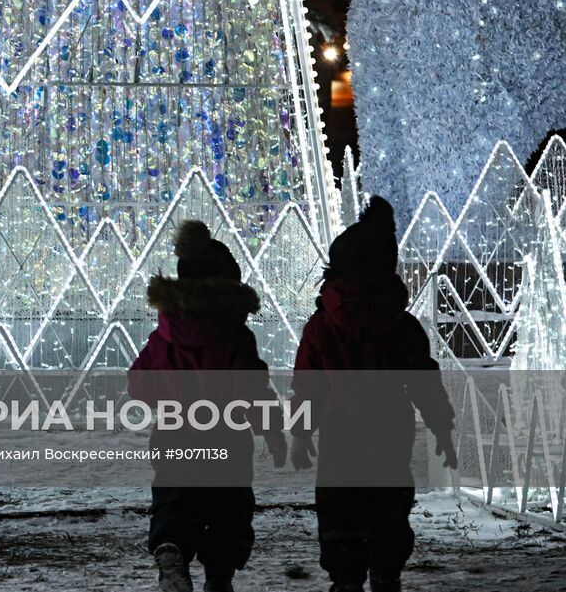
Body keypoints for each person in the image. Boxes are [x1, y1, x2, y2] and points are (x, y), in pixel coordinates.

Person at [289, 196, 457, 592]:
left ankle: (346, 578)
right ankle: (386, 571)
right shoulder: (402, 326)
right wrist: (442, 428)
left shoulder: (321, 327)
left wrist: (299, 434)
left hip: (339, 433)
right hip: (390, 431)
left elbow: (307, 385)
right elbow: (423, 381)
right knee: (388, 508)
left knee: (340, 510)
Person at [128, 220, 287, 592]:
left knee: (173, 499)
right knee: (227, 508)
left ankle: (170, 548)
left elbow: (138, 383)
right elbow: (252, 388)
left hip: (173, 434)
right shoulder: (235, 336)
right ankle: (219, 575)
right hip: (226, 438)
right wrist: (272, 430)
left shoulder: (164, 336)